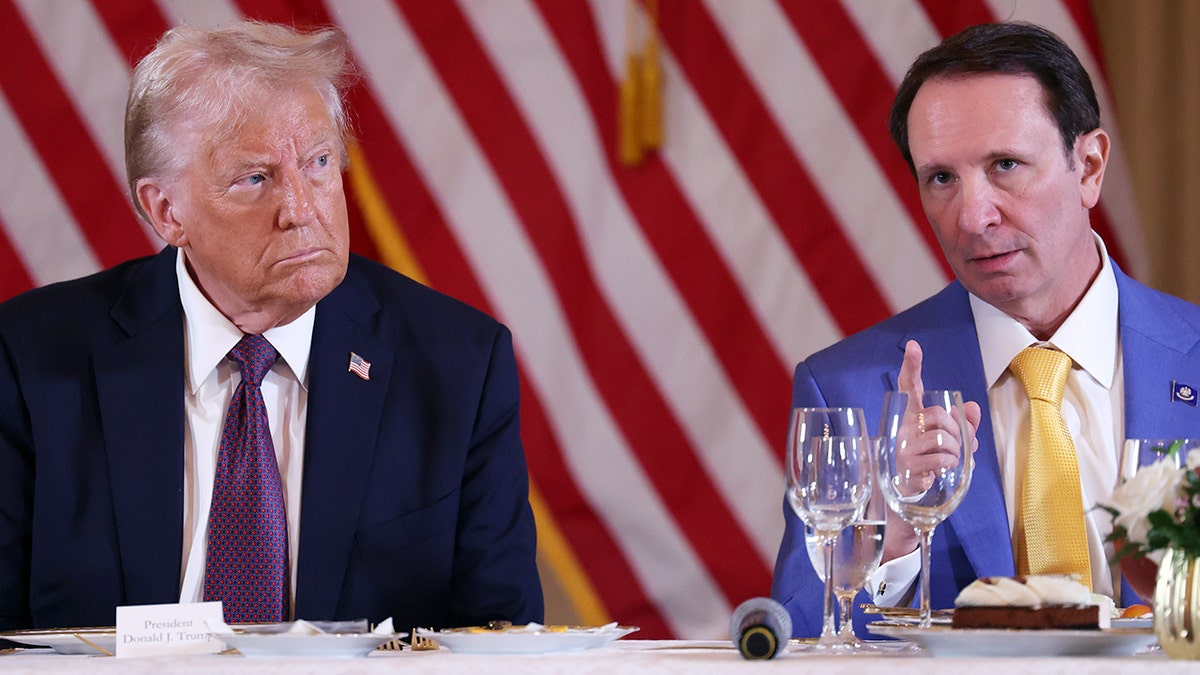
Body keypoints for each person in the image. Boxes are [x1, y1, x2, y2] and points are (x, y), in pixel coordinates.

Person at [0, 21, 542, 631]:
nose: (302, 210)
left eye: (317, 162)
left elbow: (504, 642)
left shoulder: (458, 366)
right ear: (165, 210)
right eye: (255, 178)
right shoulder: (29, 360)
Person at [771, 21, 1200, 637]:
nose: (972, 217)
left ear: (1089, 166)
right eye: (941, 178)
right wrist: (888, 536)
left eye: (1005, 164)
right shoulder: (848, 390)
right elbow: (795, 640)